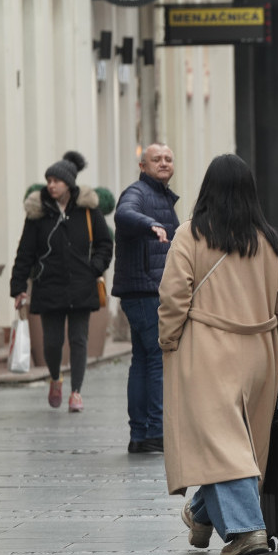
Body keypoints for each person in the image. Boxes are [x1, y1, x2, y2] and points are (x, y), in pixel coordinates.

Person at [159, 154, 278, 555]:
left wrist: (169, 340)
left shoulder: (190, 235)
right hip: (258, 353)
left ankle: (246, 529)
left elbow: (173, 295)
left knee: (223, 444)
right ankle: (201, 515)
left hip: (206, 350)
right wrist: (276, 336)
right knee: (238, 443)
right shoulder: (268, 240)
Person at [9, 152, 113, 412]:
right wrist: (18, 287)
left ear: (69, 183)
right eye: (49, 180)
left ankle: (76, 392)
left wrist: (95, 267)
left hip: (82, 284)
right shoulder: (38, 214)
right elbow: (25, 253)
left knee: (79, 340)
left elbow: (104, 243)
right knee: (52, 343)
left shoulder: (88, 210)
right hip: (48, 286)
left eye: (56, 180)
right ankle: (55, 377)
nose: (51, 185)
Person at [112, 143, 179, 454]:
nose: (163, 163)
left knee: (142, 360)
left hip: (144, 289)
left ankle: (140, 434)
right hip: (146, 290)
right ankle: (154, 429)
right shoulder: (138, 193)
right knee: (156, 359)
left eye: (167, 158)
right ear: (143, 166)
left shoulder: (161, 195)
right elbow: (124, 213)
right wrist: (149, 224)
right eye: (156, 159)